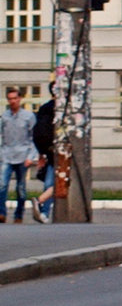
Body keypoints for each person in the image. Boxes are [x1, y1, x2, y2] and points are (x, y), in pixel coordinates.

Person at [0, 87, 37, 224]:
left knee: (21, 187)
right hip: (7, 155)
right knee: (2, 185)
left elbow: (34, 137)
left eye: (15, 98)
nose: (13, 101)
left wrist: (31, 156)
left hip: (23, 155)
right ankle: (1, 213)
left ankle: (18, 214)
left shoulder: (28, 116)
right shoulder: (5, 116)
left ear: (20, 99)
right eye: (10, 99)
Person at [30, 82, 55, 223]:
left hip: (49, 152)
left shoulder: (44, 108)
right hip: (63, 152)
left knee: (50, 182)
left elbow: (37, 133)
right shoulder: (62, 109)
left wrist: (42, 152)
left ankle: (43, 210)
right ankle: (41, 203)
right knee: (62, 181)